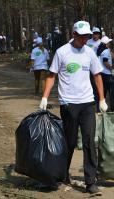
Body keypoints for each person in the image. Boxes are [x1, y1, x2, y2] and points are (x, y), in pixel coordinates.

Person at [39, 20, 108, 194]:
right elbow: (51, 75)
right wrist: (45, 97)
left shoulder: (90, 53)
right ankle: (63, 175)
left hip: (87, 103)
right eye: (82, 36)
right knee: (69, 142)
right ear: (74, 35)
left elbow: (98, 76)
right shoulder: (62, 52)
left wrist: (101, 99)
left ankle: (90, 181)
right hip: (69, 104)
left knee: (89, 141)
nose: (85, 39)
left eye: (87, 36)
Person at [96, 36, 114, 107]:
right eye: (109, 42)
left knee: (104, 91)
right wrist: (112, 69)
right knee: (109, 91)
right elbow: (105, 62)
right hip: (106, 74)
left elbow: (111, 53)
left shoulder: (102, 49)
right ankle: (109, 106)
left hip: (103, 73)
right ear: (106, 43)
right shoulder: (105, 51)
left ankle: (102, 106)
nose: (110, 43)